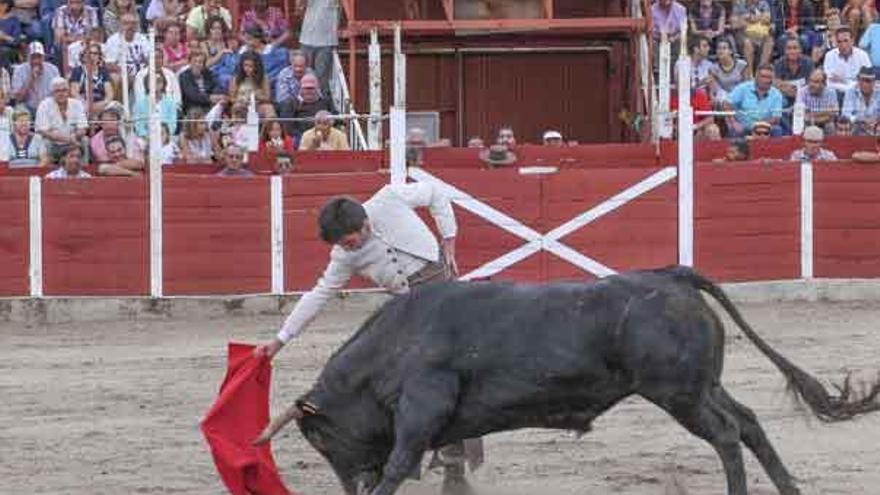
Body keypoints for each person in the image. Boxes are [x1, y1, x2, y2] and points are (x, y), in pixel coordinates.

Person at [253, 182, 478, 495]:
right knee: (392, 385)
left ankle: (453, 466)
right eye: (342, 245)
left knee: (457, 382)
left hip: (446, 298)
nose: (347, 249)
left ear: (364, 224)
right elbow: (320, 294)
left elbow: (436, 194)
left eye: (349, 241)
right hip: (407, 312)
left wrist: (449, 238)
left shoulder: (389, 199)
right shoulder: (344, 256)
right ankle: (386, 461)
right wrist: (279, 341)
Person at [724, 64, 784, 137]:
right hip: (744, 126)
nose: (766, 80)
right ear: (756, 77)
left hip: (764, 126)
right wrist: (733, 122)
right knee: (735, 131)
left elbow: (776, 118)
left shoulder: (777, 95)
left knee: (777, 129)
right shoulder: (743, 88)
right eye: (763, 76)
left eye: (769, 77)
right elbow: (727, 103)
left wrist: (759, 126)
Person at [35, 77, 87, 157]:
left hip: (73, 142)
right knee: (44, 142)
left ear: (68, 91)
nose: (61, 93)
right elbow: (44, 131)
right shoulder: (44, 105)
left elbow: (82, 129)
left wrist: (74, 136)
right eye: (57, 91)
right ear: (52, 93)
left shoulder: (77, 104)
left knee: (85, 140)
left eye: (64, 90)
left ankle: (84, 168)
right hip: (54, 143)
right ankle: (46, 169)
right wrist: (68, 139)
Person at [297, 0, 339, 96]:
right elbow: (299, 7)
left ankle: (321, 103)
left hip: (326, 40)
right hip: (307, 37)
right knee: (303, 73)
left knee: (321, 77)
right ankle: (302, 102)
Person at [11, 41, 60, 113]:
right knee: (19, 110)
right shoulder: (19, 70)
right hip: (27, 107)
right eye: (33, 57)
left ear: (44, 57)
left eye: (39, 57)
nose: (36, 61)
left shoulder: (53, 69)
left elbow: (58, 93)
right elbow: (18, 99)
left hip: (48, 106)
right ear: (28, 57)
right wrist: (31, 79)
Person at [823, 26, 872, 97]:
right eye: (839, 42)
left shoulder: (862, 55)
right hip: (836, 92)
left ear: (852, 41)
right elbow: (828, 80)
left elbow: (868, 78)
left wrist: (844, 81)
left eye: (846, 40)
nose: (843, 45)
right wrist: (853, 82)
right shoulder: (829, 55)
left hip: (858, 92)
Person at [69, 40, 114, 116]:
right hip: (83, 105)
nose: (92, 56)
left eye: (95, 53)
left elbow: (109, 94)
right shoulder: (77, 71)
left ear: (99, 56)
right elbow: (74, 93)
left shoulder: (103, 71)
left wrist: (98, 106)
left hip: (100, 104)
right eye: (89, 53)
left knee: (115, 106)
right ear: (83, 55)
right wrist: (86, 105)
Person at [133, 70, 178, 138]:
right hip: (146, 139)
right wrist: (147, 137)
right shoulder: (139, 103)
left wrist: (163, 136)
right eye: (152, 81)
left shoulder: (171, 102)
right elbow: (139, 125)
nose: (155, 84)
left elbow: (172, 124)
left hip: (166, 138)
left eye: (158, 81)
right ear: (147, 84)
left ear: (163, 83)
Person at [179, 49, 225, 115]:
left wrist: (217, 96)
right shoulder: (184, 76)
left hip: (210, 104)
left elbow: (217, 86)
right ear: (189, 62)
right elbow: (193, 96)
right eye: (195, 61)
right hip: (193, 106)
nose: (197, 64)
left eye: (200, 62)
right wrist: (210, 98)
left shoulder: (208, 73)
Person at [707, 38, 750, 104]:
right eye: (719, 48)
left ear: (730, 51)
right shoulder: (713, 68)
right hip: (723, 98)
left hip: (740, 96)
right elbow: (713, 91)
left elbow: (747, 86)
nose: (721, 51)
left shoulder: (742, 65)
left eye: (724, 48)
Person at [842, 66, 880, 134]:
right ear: (858, 81)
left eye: (868, 81)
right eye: (862, 80)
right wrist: (860, 120)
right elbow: (845, 114)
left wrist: (876, 122)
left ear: (874, 82)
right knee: (850, 127)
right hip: (857, 126)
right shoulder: (851, 91)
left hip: (876, 125)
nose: (865, 84)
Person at [0, 0, 22, 69]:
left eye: (2, 3)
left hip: (7, 48)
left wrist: (4, 37)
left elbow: (16, 41)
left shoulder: (13, 20)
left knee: (3, 51)